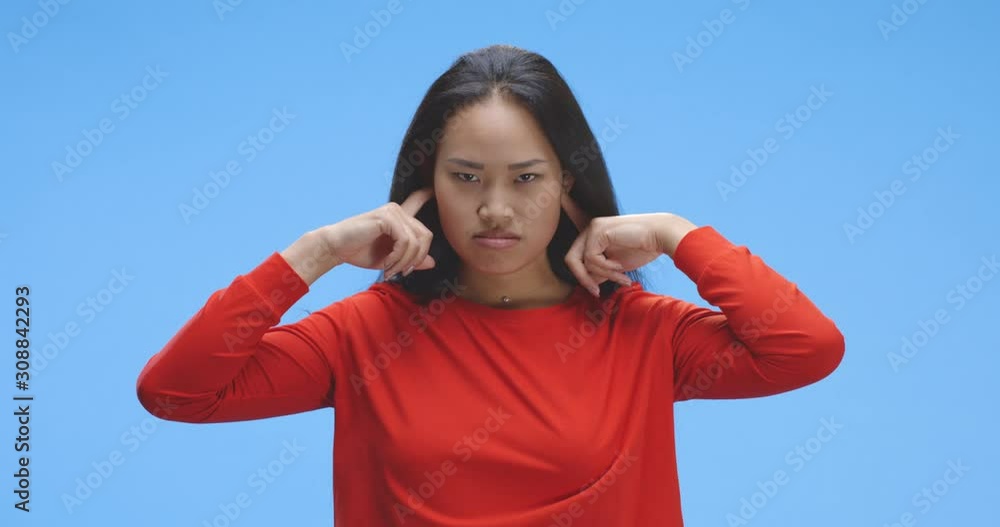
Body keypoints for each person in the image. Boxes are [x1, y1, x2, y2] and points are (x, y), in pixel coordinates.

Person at [135, 44, 845, 526]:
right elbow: (176, 391)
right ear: (427, 183)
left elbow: (807, 348)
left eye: (526, 178)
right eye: (466, 177)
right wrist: (315, 251)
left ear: (568, 183)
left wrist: (676, 235)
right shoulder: (364, 334)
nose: (496, 208)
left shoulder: (644, 332)